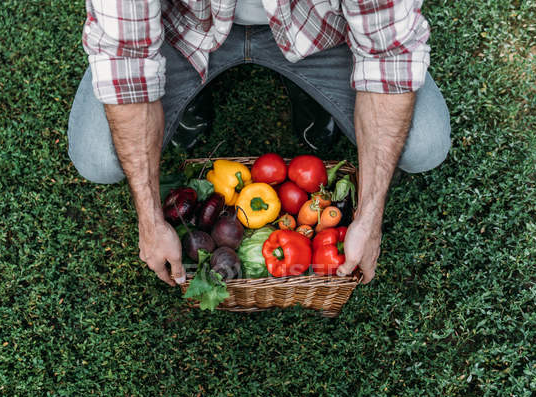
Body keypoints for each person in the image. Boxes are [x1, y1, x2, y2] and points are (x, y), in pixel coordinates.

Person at [68, 0, 451, 287]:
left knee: (424, 145)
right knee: (98, 157)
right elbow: (125, 57)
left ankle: (306, 84)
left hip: (318, 32)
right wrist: (150, 219)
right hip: (184, 29)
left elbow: (388, 56)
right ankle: (189, 90)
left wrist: (369, 217)